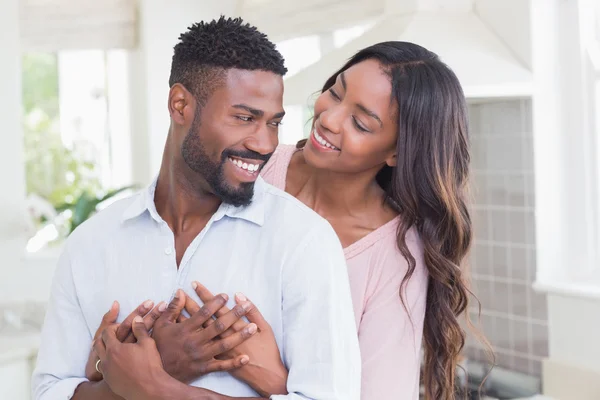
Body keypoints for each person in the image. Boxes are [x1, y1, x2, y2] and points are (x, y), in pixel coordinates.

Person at [31, 17, 361, 400]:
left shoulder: (303, 241)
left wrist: (155, 387)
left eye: (274, 123)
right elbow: (48, 391)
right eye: (244, 118)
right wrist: (136, 379)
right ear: (180, 104)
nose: (264, 143)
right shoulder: (91, 243)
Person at [171, 41, 471, 399]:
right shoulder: (253, 167)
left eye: (360, 123)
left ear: (396, 151)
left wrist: (271, 377)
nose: (328, 118)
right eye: (335, 92)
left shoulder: (395, 257)